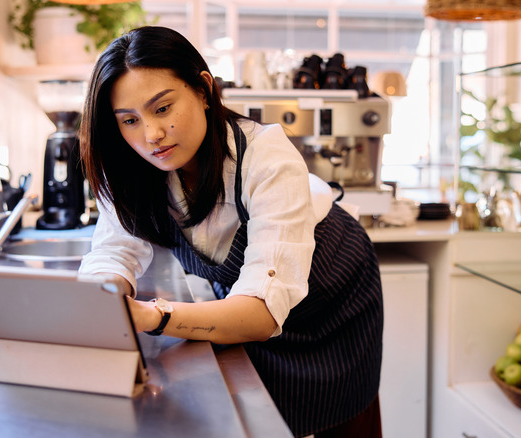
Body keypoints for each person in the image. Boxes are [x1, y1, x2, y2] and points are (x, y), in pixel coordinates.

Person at [78, 26, 384, 438]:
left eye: (163, 109)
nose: (150, 135)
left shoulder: (265, 155)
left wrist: (151, 317)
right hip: (247, 300)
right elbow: (115, 249)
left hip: (330, 304)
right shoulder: (133, 169)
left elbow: (259, 313)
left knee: (335, 415)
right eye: (130, 120)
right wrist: (104, 296)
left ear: (203, 90)